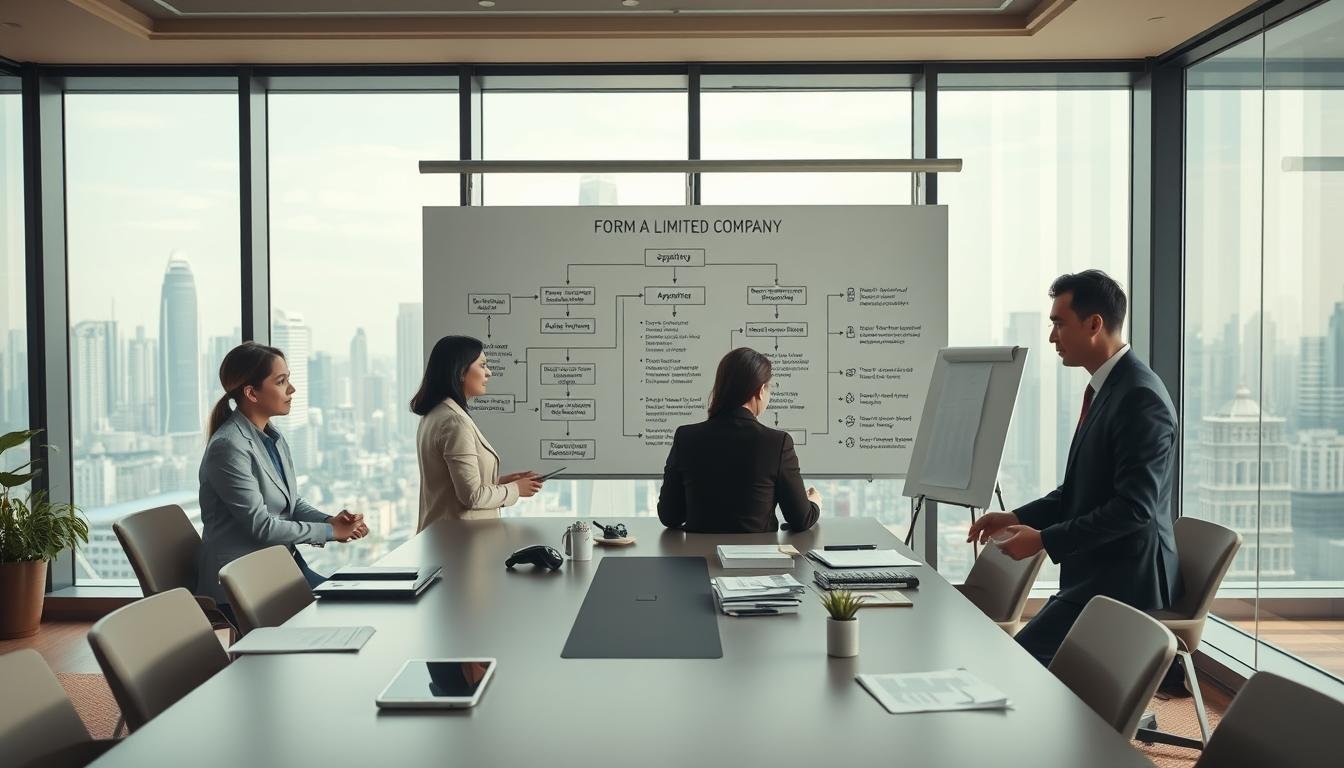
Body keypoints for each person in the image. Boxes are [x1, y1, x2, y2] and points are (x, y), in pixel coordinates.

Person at [967, 270, 1182, 667]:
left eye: (1058, 323)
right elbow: (1080, 490)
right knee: (1020, 661)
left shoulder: (1139, 398)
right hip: (1096, 574)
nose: (1052, 337)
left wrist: (1045, 539)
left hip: (1126, 584)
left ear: (1094, 324)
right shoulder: (1110, 389)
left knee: (1021, 666)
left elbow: (1135, 509)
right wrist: (1016, 516)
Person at [198, 342, 368, 619]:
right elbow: (261, 526)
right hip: (244, 580)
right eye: (281, 381)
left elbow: (291, 502)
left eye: (288, 379)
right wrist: (328, 533)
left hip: (280, 566)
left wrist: (329, 521)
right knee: (342, 614)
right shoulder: (228, 447)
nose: (292, 390)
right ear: (251, 392)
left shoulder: (272, 437)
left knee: (354, 604)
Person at [657, 347, 821, 533]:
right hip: (758, 560)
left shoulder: (686, 437)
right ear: (760, 390)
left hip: (699, 560)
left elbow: (669, 516)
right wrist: (814, 503)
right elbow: (801, 519)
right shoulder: (777, 442)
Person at [412, 335, 544, 531]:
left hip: (444, 539)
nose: (488, 372)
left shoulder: (435, 414)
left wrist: (500, 483)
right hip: (459, 544)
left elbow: (450, 487)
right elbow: (472, 497)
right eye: (482, 365)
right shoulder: (454, 422)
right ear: (460, 372)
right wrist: (516, 489)